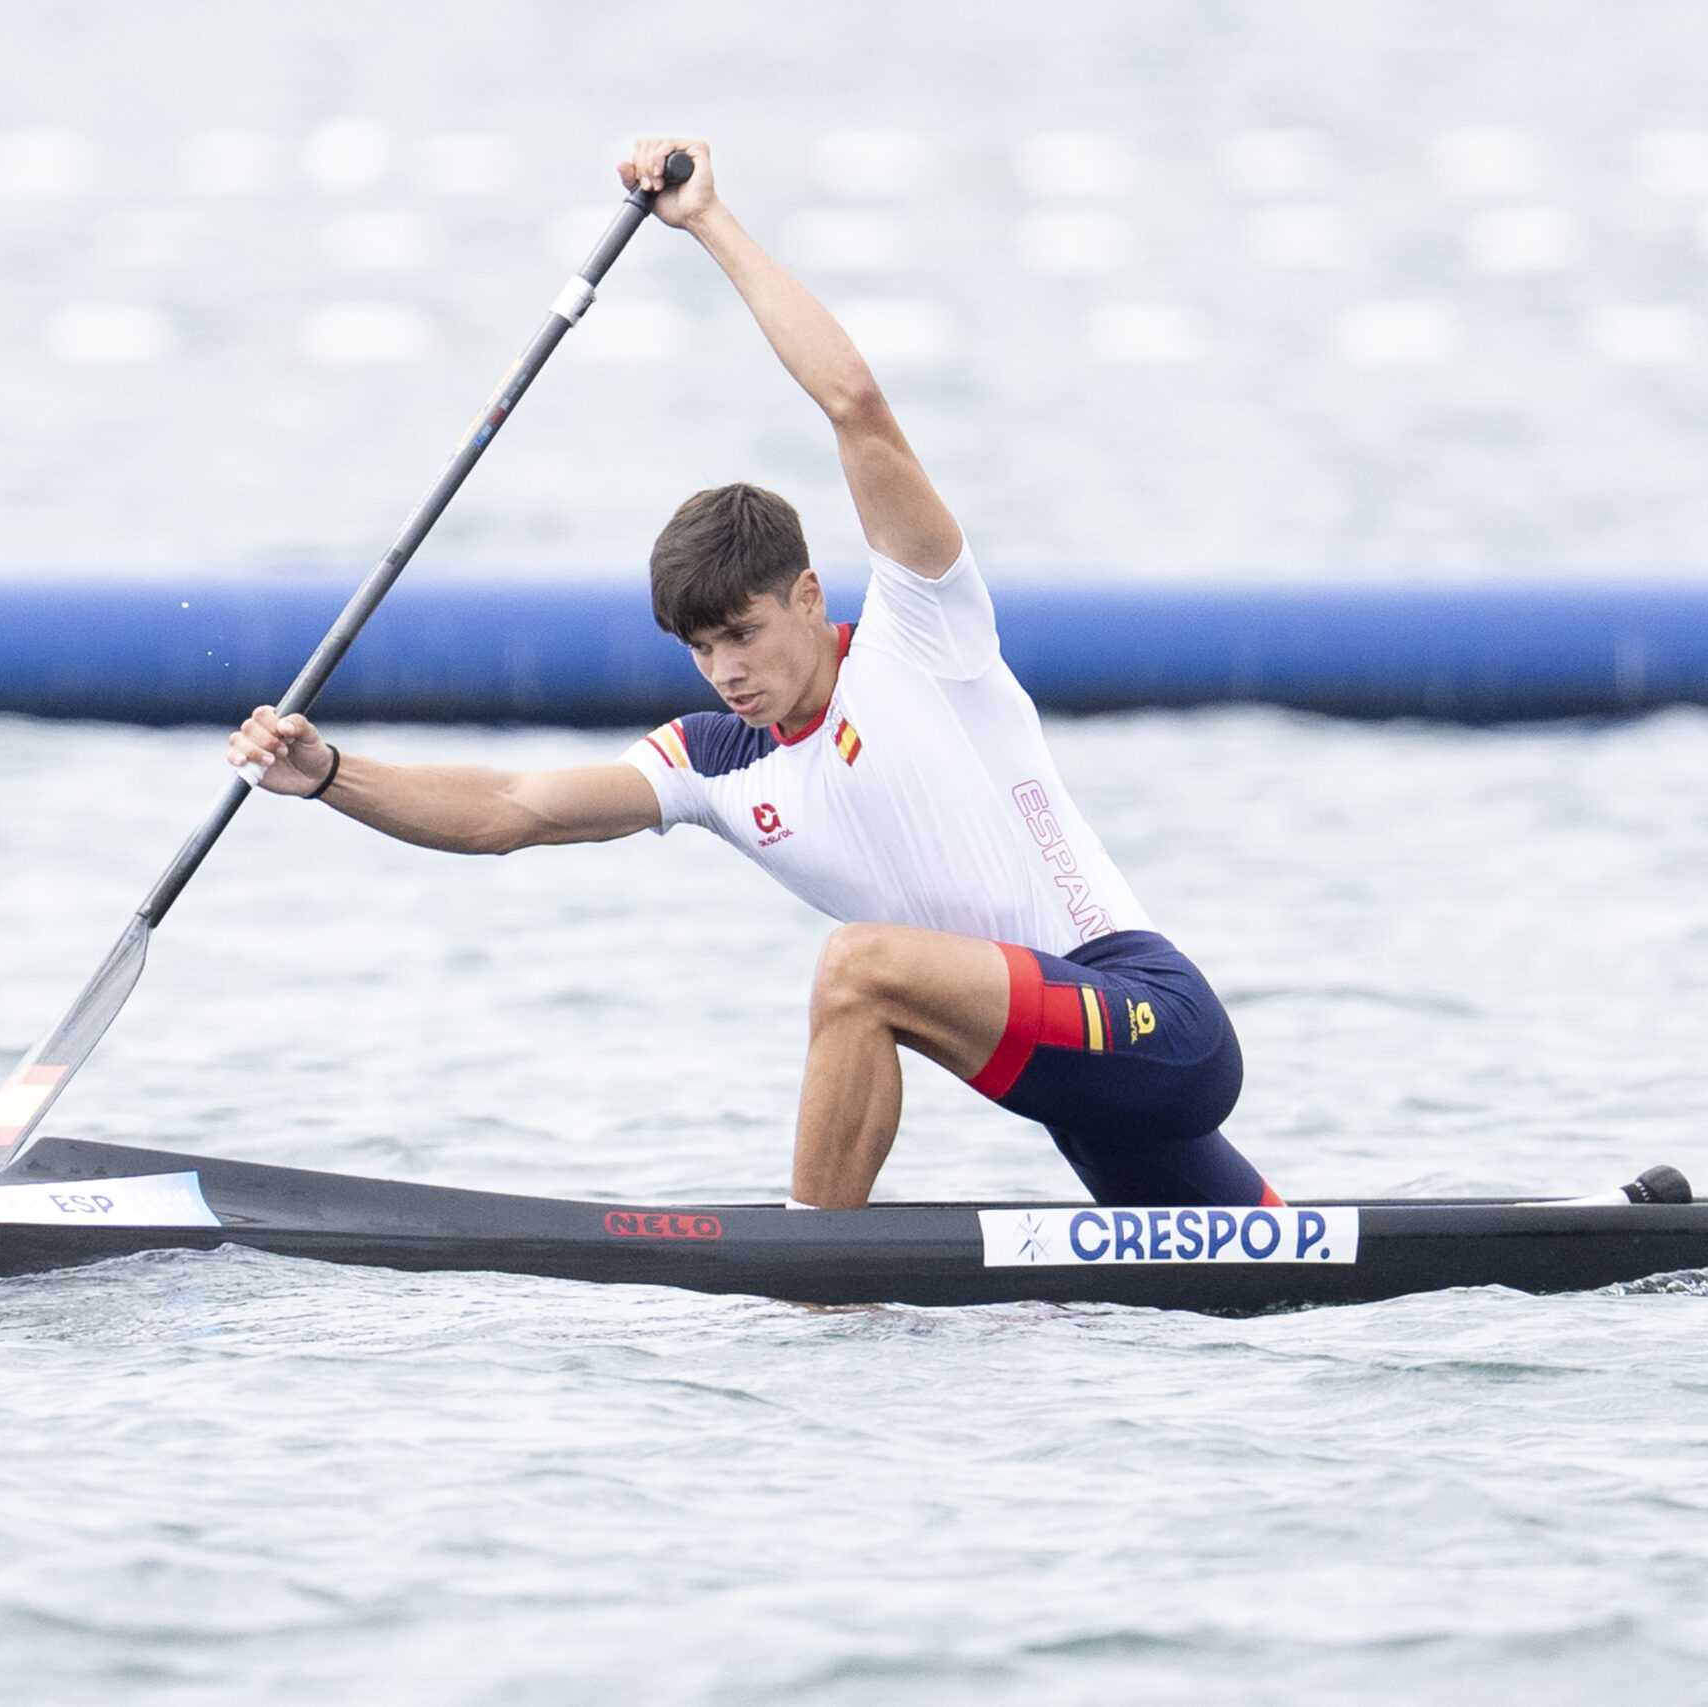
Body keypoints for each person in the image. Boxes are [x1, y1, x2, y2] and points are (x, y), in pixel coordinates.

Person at [229, 137, 1279, 1212]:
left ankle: (812, 1277)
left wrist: (708, 222)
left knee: (855, 968)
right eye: (698, 649)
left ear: (810, 599)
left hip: (1149, 1016)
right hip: (1079, 1098)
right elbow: (511, 808)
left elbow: (856, 405)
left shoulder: (925, 635)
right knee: (1284, 1281)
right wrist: (326, 774)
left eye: (742, 634)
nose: (724, 671)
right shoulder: (713, 763)